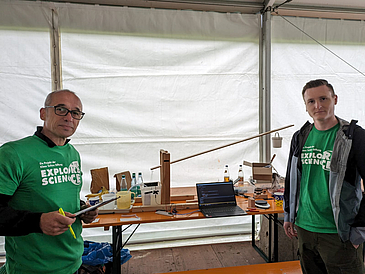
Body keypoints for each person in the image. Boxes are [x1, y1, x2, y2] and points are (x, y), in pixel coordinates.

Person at [0, 90, 98, 274]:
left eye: (75, 112)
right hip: (31, 269)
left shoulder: (72, 153)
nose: (69, 117)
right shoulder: (13, 154)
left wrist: (82, 210)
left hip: (73, 263)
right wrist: (38, 222)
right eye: (61, 109)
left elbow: (62, 198)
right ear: (43, 113)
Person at [283, 79, 365, 273]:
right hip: (305, 230)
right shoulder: (300, 136)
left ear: (334, 99)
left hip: (339, 233)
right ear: (305, 106)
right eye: (311, 101)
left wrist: (360, 231)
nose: (318, 106)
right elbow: (292, 178)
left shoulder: (353, 137)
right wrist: (289, 213)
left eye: (323, 99)